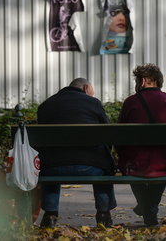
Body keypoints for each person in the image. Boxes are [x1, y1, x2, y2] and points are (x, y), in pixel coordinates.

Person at [37, 78, 116, 228]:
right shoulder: (94, 103)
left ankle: (50, 214)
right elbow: (107, 135)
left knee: (52, 161)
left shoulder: (45, 106)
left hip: (53, 168)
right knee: (103, 164)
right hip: (92, 167)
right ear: (86, 88)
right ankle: (103, 214)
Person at [116, 64, 166, 226]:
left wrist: (122, 155)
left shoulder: (130, 102)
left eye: (136, 81)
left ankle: (146, 206)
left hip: (134, 163)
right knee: (160, 168)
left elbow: (119, 135)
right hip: (165, 163)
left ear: (142, 81)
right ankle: (150, 206)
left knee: (133, 167)